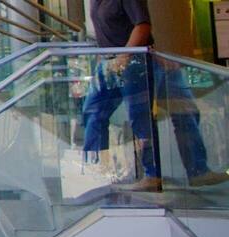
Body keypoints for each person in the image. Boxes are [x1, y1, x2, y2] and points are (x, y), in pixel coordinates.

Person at [81, 0, 226, 191]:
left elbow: (142, 26)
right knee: (93, 113)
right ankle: (96, 170)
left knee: (157, 116)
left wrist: (126, 56)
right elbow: (104, 33)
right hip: (112, 62)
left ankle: (180, 172)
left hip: (133, 61)